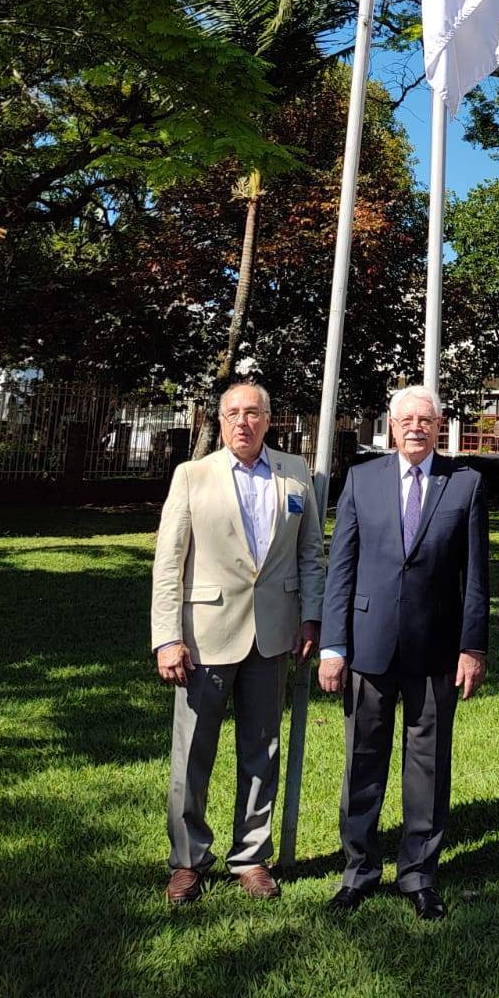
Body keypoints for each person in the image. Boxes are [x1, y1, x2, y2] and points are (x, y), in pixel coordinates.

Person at [318, 384, 488, 921]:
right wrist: (332, 645)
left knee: (428, 764)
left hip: (436, 648)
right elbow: (341, 565)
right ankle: (359, 869)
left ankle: (418, 872)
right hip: (367, 646)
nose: (415, 426)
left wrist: (471, 646)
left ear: (439, 426)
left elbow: (477, 576)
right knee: (362, 759)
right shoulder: (362, 479)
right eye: (405, 418)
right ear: (391, 426)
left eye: (426, 419)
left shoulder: (465, 484)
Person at [151, 382, 324, 904]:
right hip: (203, 639)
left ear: (269, 420)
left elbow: (311, 551)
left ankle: (251, 857)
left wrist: (311, 617)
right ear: (221, 421)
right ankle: (187, 860)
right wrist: (166, 639)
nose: (243, 423)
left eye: (253, 413)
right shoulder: (192, 476)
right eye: (233, 414)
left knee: (262, 751)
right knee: (192, 754)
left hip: (273, 636)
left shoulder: (296, 473)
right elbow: (168, 563)